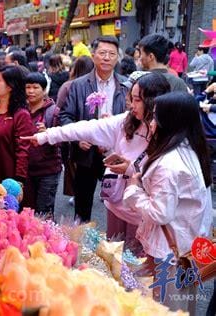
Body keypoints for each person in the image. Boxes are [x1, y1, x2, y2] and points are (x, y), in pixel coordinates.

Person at [23, 73, 171, 249]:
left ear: (153, 102)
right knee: (114, 257)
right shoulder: (126, 121)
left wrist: (130, 170)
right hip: (116, 204)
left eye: (138, 100)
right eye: (131, 98)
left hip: (142, 214)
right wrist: (46, 136)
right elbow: (87, 128)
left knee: (138, 266)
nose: (131, 105)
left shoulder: (167, 132)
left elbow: (164, 178)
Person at [123, 92, 213, 313]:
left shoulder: (169, 163)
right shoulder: (189, 150)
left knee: (167, 307)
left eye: (155, 118)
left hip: (171, 254)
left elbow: (160, 213)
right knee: (181, 305)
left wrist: (134, 190)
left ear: (169, 122)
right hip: (186, 248)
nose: (151, 124)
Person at [58, 36, 128, 223]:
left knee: (120, 206)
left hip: (116, 153)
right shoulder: (79, 85)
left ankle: (117, 244)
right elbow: (66, 116)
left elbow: (134, 118)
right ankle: (80, 244)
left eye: (111, 54)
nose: (106, 57)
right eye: (102, 53)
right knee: (83, 205)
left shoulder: (126, 85)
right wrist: (77, 138)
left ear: (117, 58)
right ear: (93, 55)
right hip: (86, 153)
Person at [0, 65, 34, 185]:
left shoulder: (21, 115)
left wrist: (19, 180)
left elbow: (23, 151)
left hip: (9, 177)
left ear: (10, 86)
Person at [55, 56, 94, 204]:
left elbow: (59, 110)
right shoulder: (94, 86)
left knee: (73, 165)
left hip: (72, 132)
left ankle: (76, 193)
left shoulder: (68, 86)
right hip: (92, 132)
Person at [22, 72, 61, 219]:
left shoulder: (53, 112)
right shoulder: (21, 110)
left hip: (47, 171)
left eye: (35, 87)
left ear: (44, 90)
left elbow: (63, 142)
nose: (31, 91)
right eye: (28, 87)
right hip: (26, 170)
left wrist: (49, 134)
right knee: (26, 211)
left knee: (44, 213)